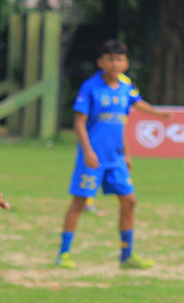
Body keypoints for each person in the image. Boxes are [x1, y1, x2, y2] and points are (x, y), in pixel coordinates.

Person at [54, 39, 171, 270]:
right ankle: (63, 254)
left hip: (116, 158)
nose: (115, 64)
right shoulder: (91, 87)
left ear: (126, 63)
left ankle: (127, 256)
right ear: (100, 62)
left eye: (119, 59)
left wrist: (128, 153)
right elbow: (79, 122)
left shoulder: (126, 87)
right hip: (93, 158)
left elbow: (125, 119)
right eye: (110, 59)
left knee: (129, 201)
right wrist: (87, 151)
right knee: (79, 203)